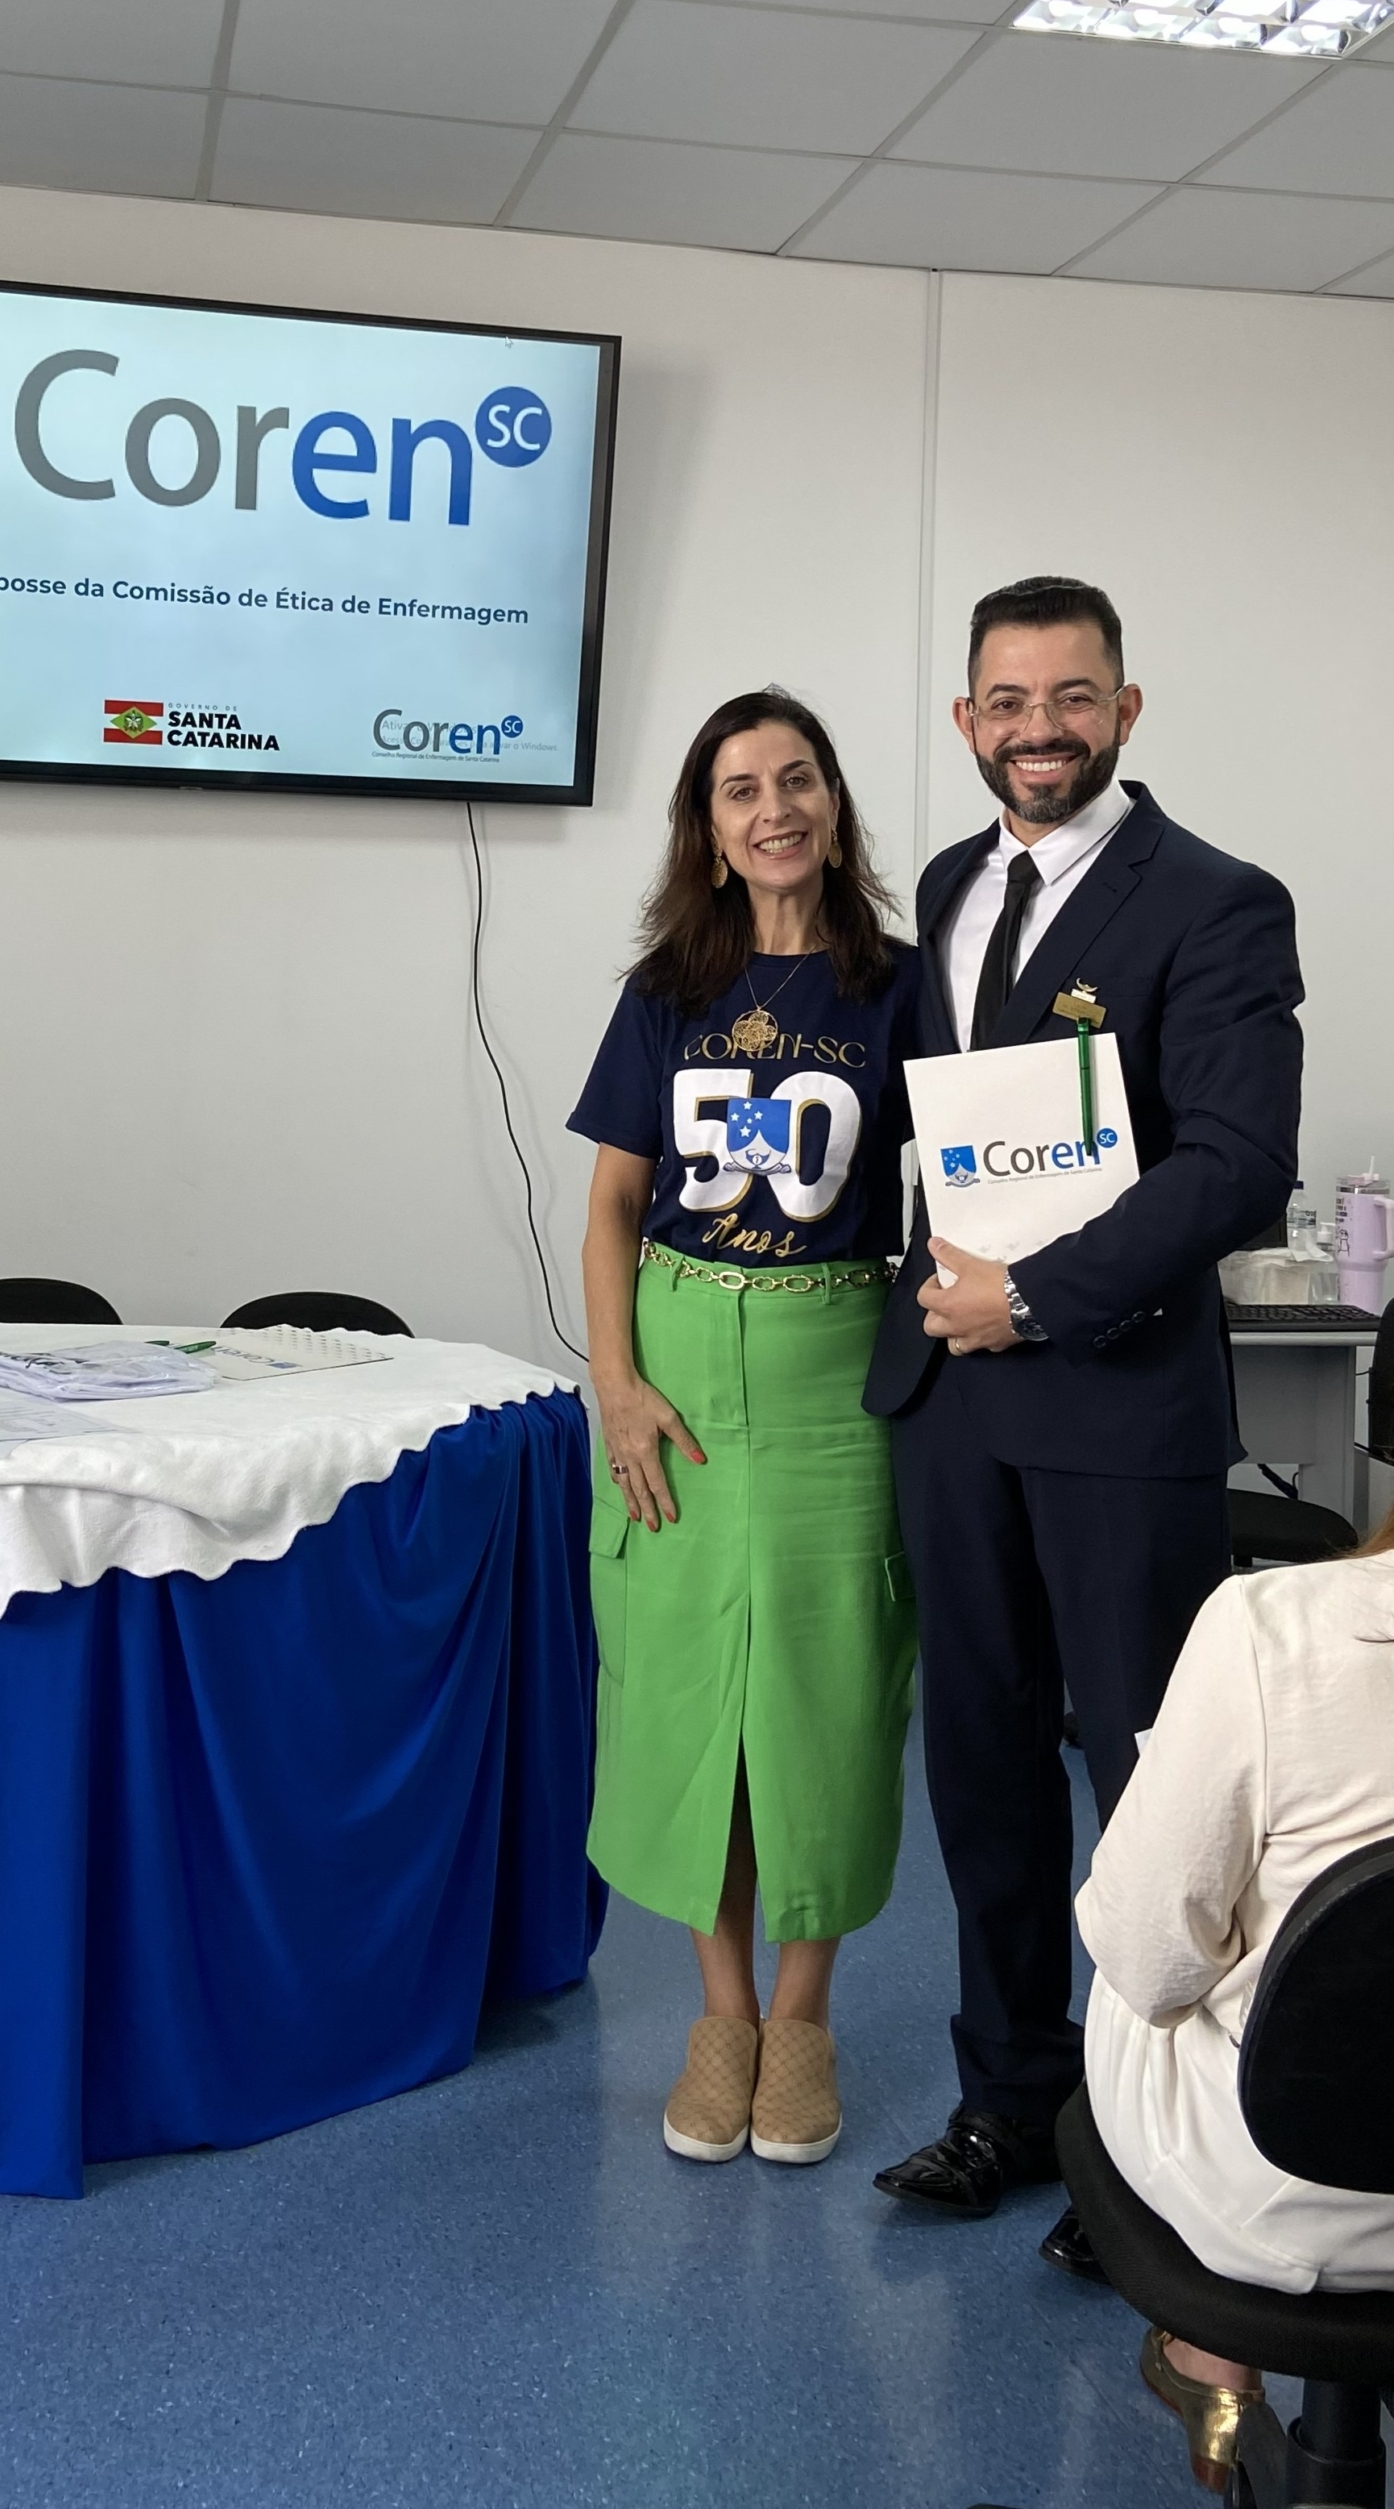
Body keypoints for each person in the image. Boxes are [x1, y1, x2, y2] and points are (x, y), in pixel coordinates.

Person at [862, 577, 1304, 2276]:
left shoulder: (1217, 900)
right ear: (965, 721)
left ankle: (1140, 2146)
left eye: (1069, 697)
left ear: (1123, 709)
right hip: (950, 1409)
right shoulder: (948, 889)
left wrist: (1035, 1296)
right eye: (1006, 700)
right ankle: (1009, 2098)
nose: (1036, 729)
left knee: (1143, 1787)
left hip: (1114, 1402)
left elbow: (1235, 1166)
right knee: (977, 1768)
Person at [569, 689, 918, 2166]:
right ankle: (721, 2019)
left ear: (831, 805)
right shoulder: (665, 993)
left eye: (795, 779)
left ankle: (803, 2017)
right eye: (738, 789)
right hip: (677, 1376)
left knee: (823, 1701)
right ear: (707, 832)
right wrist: (616, 1382)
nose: (771, 808)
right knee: (689, 1702)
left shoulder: (904, 990)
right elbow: (611, 1204)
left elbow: (972, 1173)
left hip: (834, 1376)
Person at [1076, 1505, 1394, 2492]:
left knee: (1148, 1952)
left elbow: (1144, 1958)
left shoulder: (1271, 1629)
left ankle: (1213, 2364)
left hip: (1298, 2203)